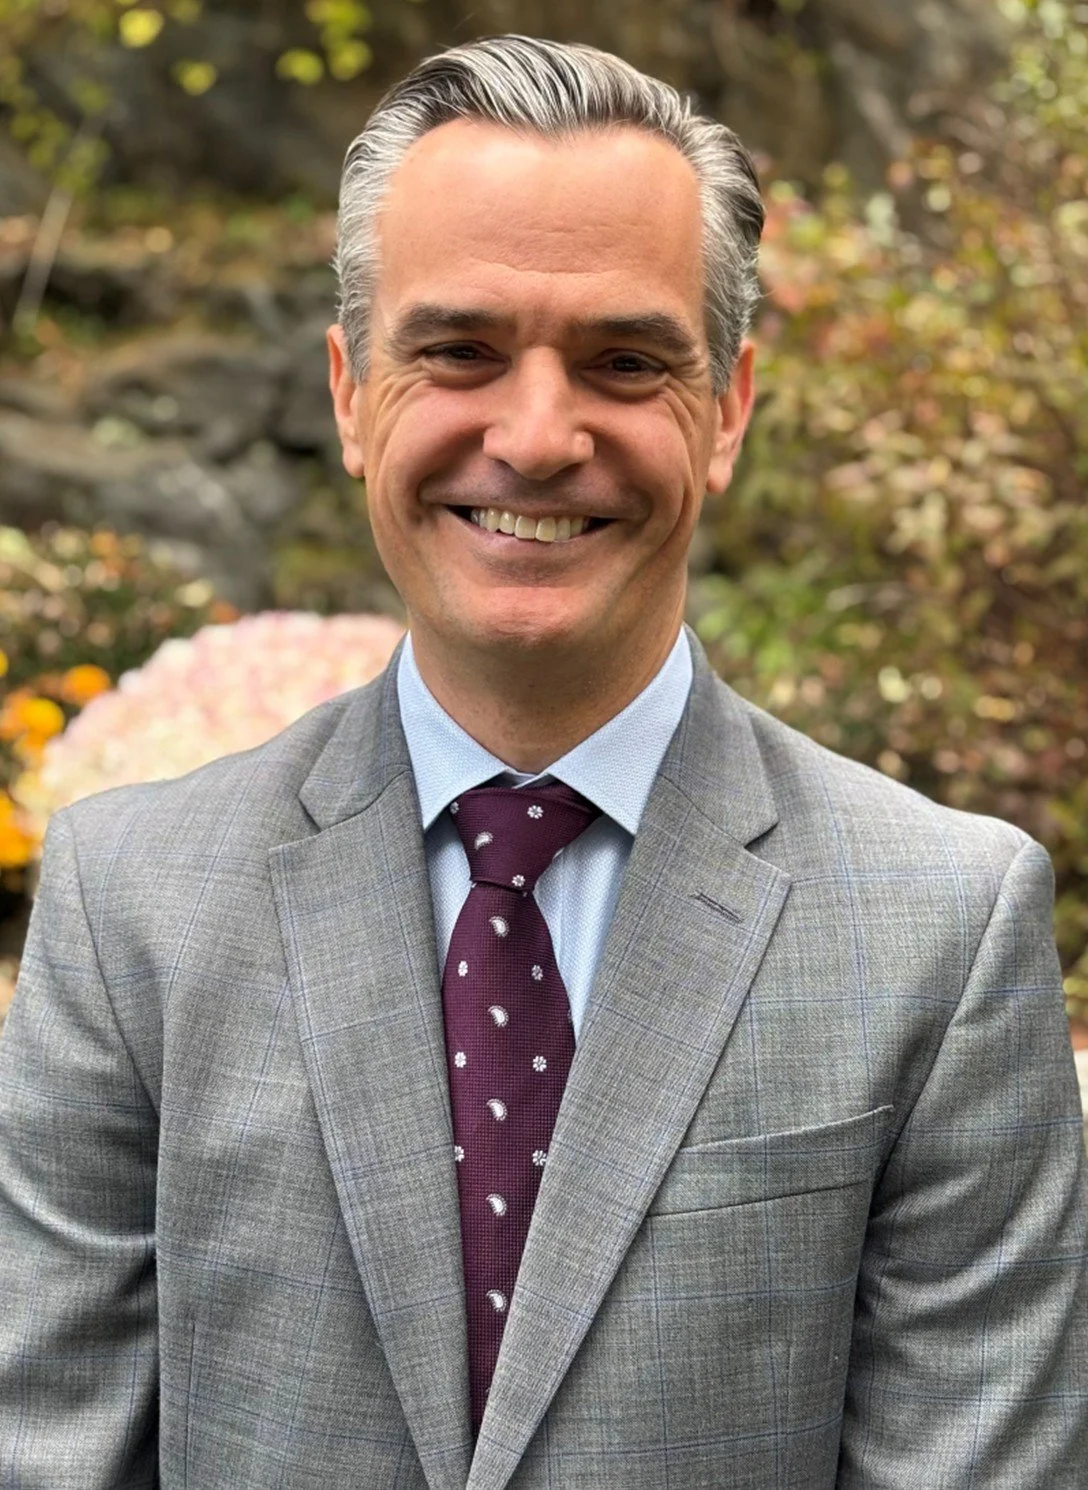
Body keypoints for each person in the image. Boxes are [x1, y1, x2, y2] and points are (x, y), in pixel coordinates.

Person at [1, 33, 1085, 1490]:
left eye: (624, 362)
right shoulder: (130, 901)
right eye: (458, 352)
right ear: (348, 392)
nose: (536, 435)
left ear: (728, 410)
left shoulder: (941, 931)